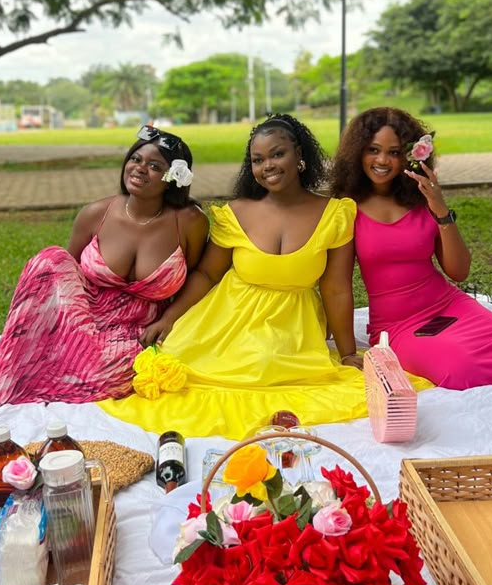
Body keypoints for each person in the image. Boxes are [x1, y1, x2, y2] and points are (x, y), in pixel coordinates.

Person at [97, 114, 431, 439]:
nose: (267, 165)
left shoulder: (335, 214)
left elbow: (337, 289)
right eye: (258, 159)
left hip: (291, 325)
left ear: (299, 155)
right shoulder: (237, 213)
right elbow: (208, 274)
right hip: (225, 321)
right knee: (183, 377)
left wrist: (346, 353)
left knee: (271, 363)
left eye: (277, 154)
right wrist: (169, 319)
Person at [0, 128, 209, 424]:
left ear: (172, 178)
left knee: (108, 373)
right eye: (136, 159)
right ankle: (30, 359)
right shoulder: (95, 213)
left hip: (135, 330)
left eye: (154, 166)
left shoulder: (188, 222)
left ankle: (55, 360)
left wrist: (167, 319)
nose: (140, 169)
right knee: (50, 259)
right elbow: (65, 274)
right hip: (83, 315)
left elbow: (197, 275)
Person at [331, 107, 492, 389]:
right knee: (459, 369)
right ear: (357, 152)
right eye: (373, 150)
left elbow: (459, 271)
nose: (382, 160)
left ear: (410, 155)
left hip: (448, 305)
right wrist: (347, 352)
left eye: (393, 152)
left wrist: (440, 210)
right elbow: (338, 286)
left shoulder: (421, 198)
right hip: (399, 325)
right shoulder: (346, 208)